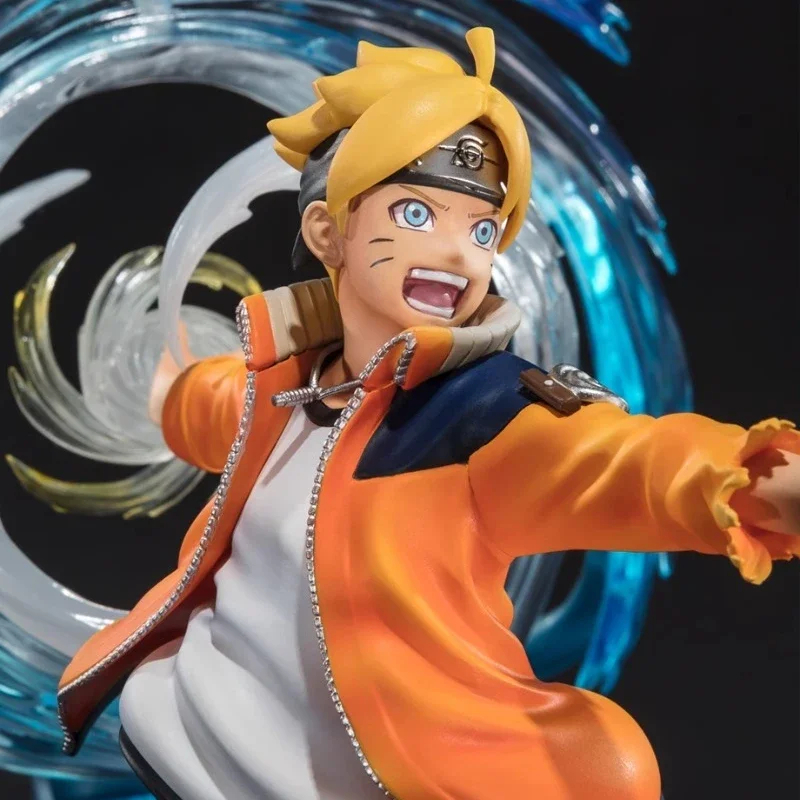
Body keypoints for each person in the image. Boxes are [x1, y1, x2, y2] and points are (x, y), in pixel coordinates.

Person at [56, 27, 800, 800]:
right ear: (327, 232)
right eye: (416, 213)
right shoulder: (287, 386)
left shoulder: (483, 419)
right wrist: (157, 386)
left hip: (366, 771)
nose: (457, 253)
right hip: (192, 723)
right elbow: (211, 407)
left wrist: (752, 484)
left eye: (482, 230)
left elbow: (626, 463)